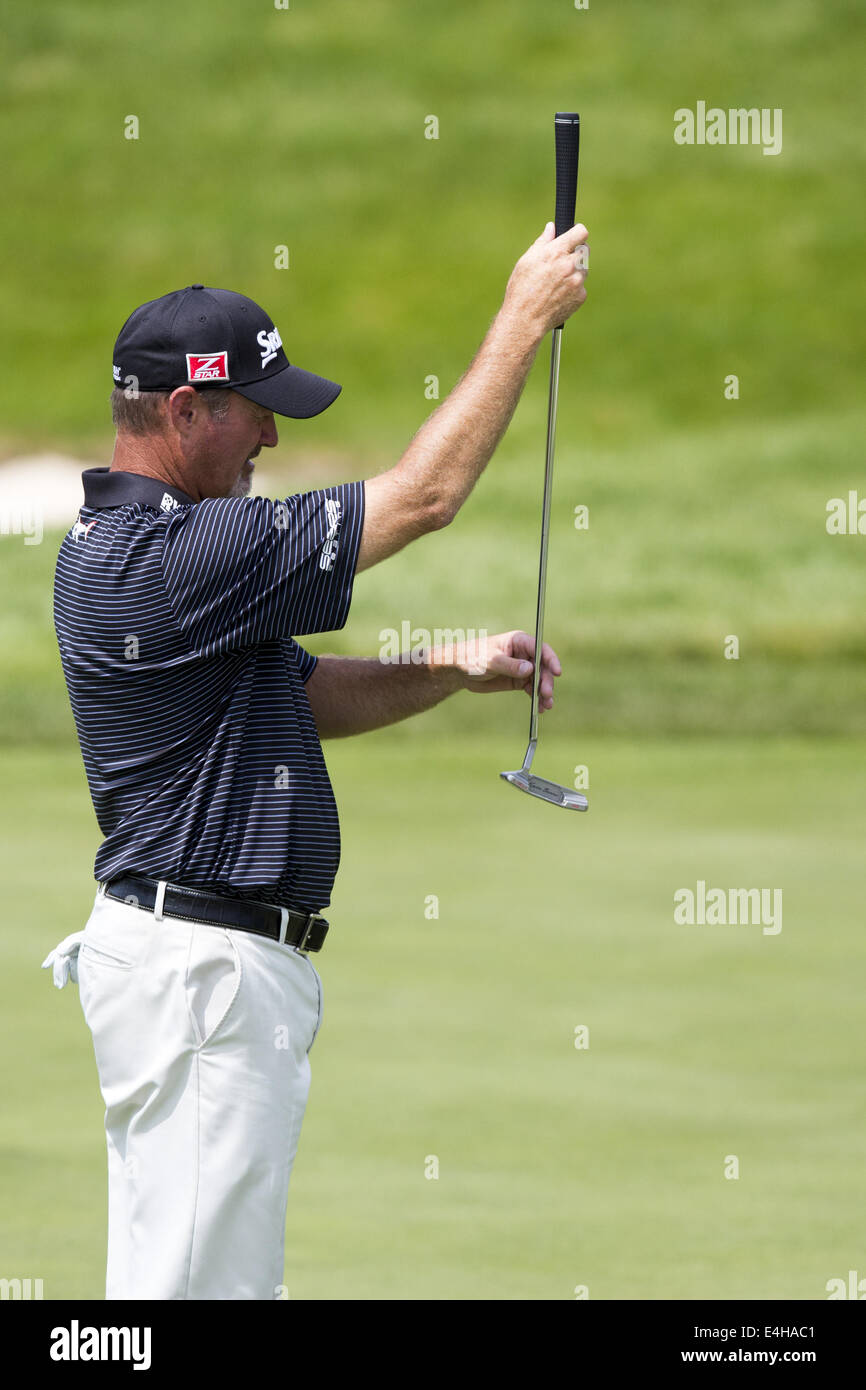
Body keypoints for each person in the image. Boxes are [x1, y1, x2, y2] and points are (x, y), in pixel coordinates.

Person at [42, 218, 590, 1300]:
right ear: (187, 410)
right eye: (258, 412)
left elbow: (294, 692)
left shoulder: (159, 548)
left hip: (197, 968)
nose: (273, 442)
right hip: (201, 973)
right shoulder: (177, 554)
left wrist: (440, 668)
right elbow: (423, 497)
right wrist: (523, 317)